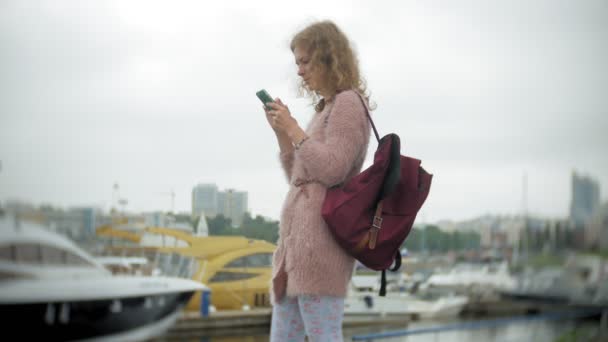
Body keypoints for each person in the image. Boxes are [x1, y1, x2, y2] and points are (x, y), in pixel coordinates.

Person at [262, 20, 373, 341]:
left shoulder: (349, 104)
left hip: (321, 252)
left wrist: (295, 129)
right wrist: (284, 134)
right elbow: (298, 178)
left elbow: (333, 169)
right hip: (295, 255)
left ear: (329, 58)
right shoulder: (325, 108)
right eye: (297, 62)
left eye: (305, 61)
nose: (299, 71)